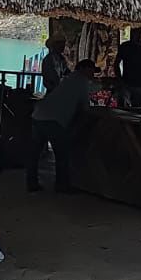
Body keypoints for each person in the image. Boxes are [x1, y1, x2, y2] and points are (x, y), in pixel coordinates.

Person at [28, 59, 95, 193]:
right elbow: (85, 107)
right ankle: (62, 185)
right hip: (54, 119)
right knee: (62, 153)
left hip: (39, 114)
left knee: (35, 153)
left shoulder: (68, 79)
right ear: (84, 69)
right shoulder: (82, 82)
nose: (93, 73)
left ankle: (31, 182)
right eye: (92, 70)